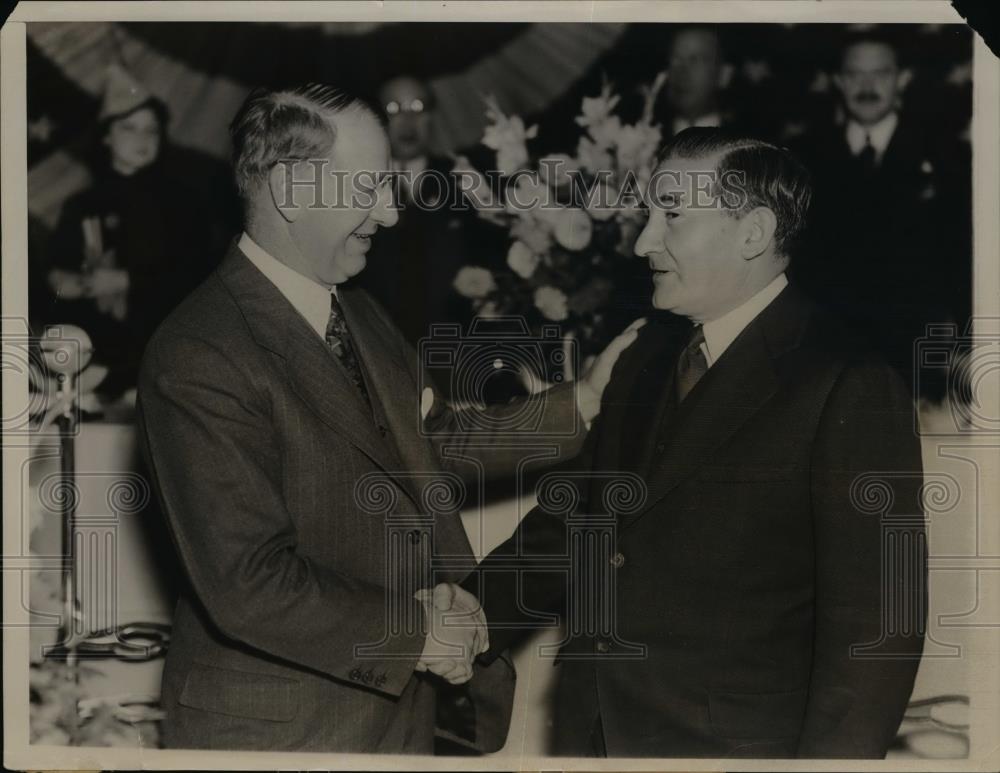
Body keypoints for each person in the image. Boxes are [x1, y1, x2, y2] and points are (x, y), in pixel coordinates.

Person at [136, 83, 640, 753]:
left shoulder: (357, 311)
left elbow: (426, 445)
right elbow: (249, 582)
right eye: (368, 186)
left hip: (396, 717)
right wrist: (421, 632)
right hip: (278, 733)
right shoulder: (199, 353)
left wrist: (581, 399)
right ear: (290, 189)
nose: (391, 212)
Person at [466, 128, 926, 758]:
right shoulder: (646, 351)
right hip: (597, 736)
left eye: (672, 215)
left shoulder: (847, 381)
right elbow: (576, 517)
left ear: (753, 232)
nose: (643, 240)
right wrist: (468, 617)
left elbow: (879, 629)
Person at [793, 31, 971, 402]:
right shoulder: (804, 156)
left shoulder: (947, 154)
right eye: (855, 74)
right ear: (839, 81)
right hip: (827, 353)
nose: (867, 85)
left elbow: (966, 257)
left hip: (919, 355)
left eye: (881, 73)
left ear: (901, 79)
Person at [43, 64, 211, 399]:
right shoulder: (82, 204)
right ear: (106, 135)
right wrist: (69, 283)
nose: (142, 139)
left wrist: (127, 280)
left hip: (162, 347)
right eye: (129, 128)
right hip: (95, 349)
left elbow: (198, 272)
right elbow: (55, 272)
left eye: (151, 130)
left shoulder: (183, 201)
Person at [355, 76, 493, 362]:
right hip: (376, 351)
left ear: (432, 116)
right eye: (394, 108)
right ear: (377, 119)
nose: (407, 120)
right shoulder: (357, 186)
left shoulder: (462, 180)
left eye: (417, 106)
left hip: (454, 353)